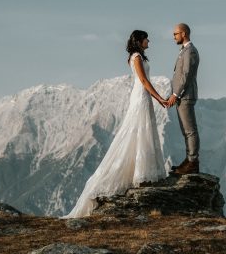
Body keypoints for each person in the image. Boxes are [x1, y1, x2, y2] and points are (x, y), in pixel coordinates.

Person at [64, 30, 169, 218]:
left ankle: (142, 171)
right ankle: (138, 173)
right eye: (146, 38)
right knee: (136, 130)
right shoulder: (136, 57)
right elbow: (143, 80)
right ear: (139, 41)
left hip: (143, 96)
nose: (149, 41)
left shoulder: (138, 56)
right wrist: (160, 98)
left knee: (143, 131)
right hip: (141, 96)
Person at [165, 23, 200, 174]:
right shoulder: (184, 51)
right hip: (181, 96)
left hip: (185, 96)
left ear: (184, 34)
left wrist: (176, 94)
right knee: (186, 131)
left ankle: (193, 161)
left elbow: (186, 75)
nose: (174, 37)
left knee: (190, 131)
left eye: (176, 34)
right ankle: (188, 160)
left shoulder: (190, 51)